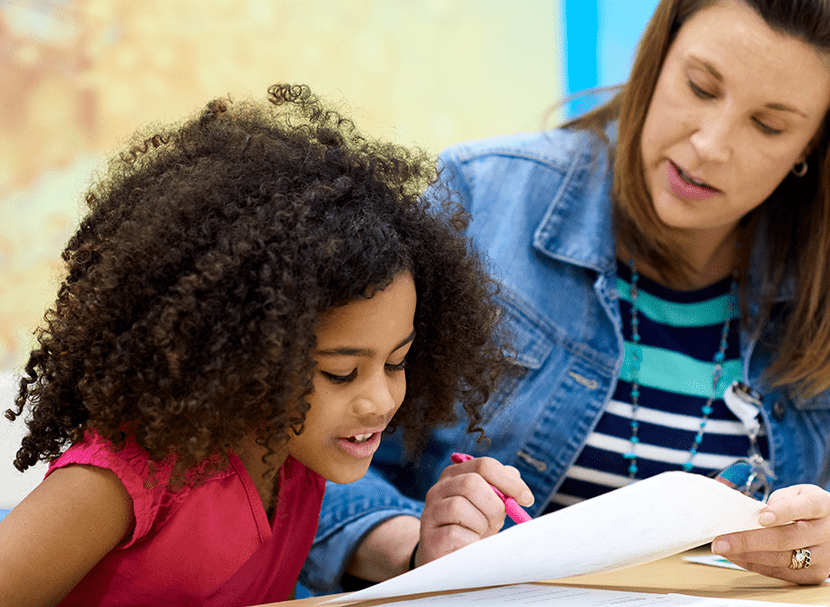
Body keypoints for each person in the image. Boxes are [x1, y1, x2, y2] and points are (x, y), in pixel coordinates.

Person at [302, 0, 830, 592]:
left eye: (768, 124)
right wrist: (415, 550)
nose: (708, 145)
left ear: (815, 148)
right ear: (656, 58)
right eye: (699, 85)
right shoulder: (482, 196)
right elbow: (283, 452)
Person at [0, 83, 530, 607]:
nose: (381, 401)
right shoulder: (123, 481)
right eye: (341, 373)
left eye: (397, 362)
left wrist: (426, 553)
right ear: (241, 355)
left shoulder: (296, 465)